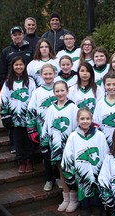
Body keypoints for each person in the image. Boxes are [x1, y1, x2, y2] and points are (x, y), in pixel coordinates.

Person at [61, 107, 109, 216]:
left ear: (92, 120)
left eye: (88, 118)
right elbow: (67, 158)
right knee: (84, 209)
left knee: (97, 208)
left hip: (97, 178)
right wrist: (70, 177)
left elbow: (105, 155)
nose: (85, 121)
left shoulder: (99, 135)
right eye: (82, 119)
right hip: (81, 179)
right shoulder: (73, 137)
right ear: (77, 121)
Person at [41, 80, 79, 212]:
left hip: (69, 146)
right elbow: (46, 127)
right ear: (54, 93)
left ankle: (74, 199)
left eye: (62, 90)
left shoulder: (73, 107)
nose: (60, 93)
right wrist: (44, 143)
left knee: (70, 172)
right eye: (57, 91)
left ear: (67, 91)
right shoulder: (51, 108)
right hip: (56, 146)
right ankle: (66, 198)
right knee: (62, 172)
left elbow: (77, 127)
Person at [0, 56, 36, 174]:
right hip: (15, 118)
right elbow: (3, 98)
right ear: (12, 67)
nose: (19, 67)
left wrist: (32, 115)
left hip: (28, 117)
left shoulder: (30, 81)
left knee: (28, 140)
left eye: (21, 64)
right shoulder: (8, 82)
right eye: (16, 65)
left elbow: (34, 98)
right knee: (18, 140)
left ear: (24, 66)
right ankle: (21, 162)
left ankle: (29, 160)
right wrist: (5, 115)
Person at [26, 63, 59, 191]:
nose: (48, 76)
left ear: (55, 74)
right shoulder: (37, 92)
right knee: (46, 156)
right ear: (41, 75)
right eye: (45, 74)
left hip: (58, 130)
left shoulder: (59, 88)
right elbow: (31, 110)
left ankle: (57, 177)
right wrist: (31, 128)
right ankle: (49, 179)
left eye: (50, 73)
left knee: (57, 154)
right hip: (43, 129)